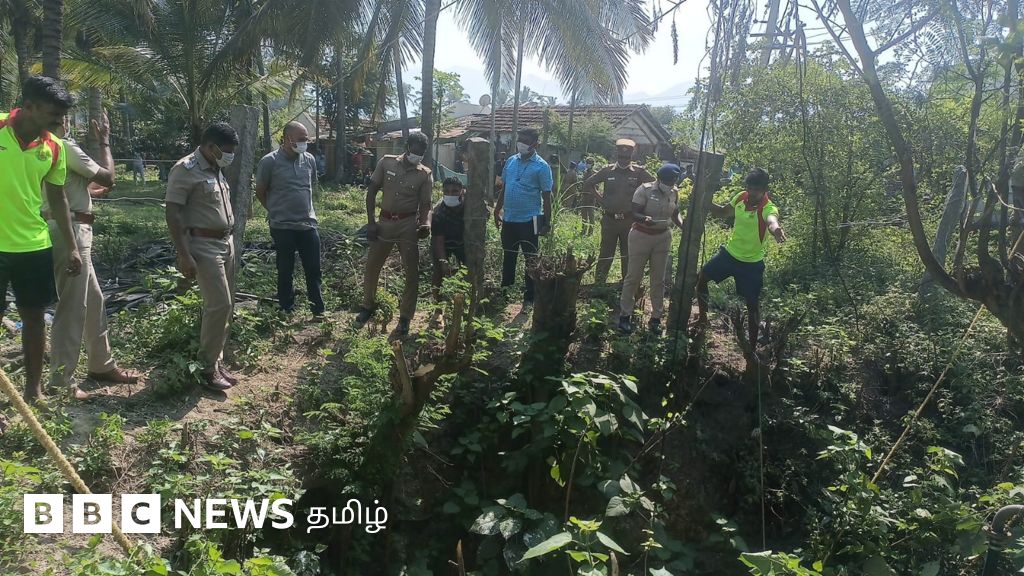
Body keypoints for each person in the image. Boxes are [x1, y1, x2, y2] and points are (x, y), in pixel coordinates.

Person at [0, 76, 82, 402]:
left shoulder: (54, 147)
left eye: (62, 116)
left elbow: (58, 197)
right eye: (53, 115)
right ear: (29, 106)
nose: (59, 122)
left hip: (33, 246)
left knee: (34, 319)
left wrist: (73, 246)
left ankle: (33, 390)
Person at [46, 111, 138, 400]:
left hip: (65, 224)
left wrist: (88, 194)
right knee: (73, 305)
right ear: (62, 120)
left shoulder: (41, 146)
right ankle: (61, 380)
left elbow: (69, 187)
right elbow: (108, 178)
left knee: (94, 300)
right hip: (71, 230)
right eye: (66, 117)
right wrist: (104, 142)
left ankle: (101, 364)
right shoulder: (65, 145)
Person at [165, 122, 240, 392]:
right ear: (210, 146)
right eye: (226, 151)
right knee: (219, 304)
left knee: (226, 305)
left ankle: (216, 361)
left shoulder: (216, 168)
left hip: (226, 242)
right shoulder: (185, 169)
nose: (229, 156)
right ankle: (207, 368)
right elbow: (173, 213)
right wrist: (184, 254)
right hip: (203, 244)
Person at [691, 168, 787, 350]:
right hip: (729, 255)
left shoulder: (768, 208)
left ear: (765, 189)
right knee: (701, 278)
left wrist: (776, 230)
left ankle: (751, 348)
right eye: (749, 188)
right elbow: (722, 212)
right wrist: (704, 200)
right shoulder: (741, 197)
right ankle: (703, 319)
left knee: (752, 305)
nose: (751, 193)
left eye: (756, 190)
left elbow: (771, 221)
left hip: (751, 264)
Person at [356, 132, 433, 335]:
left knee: (411, 272)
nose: (417, 156)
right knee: (372, 266)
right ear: (407, 147)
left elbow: (426, 204)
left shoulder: (424, 174)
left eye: (421, 153)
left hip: (408, 225)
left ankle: (405, 317)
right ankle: (367, 306)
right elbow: (372, 191)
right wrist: (371, 222)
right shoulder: (387, 162)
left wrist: (426, 224)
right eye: (415, 151)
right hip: (384, 222)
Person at [255, 121, 324, 317]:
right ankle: (286, 309)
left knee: (314, 269)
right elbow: (260, 191)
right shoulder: (269, 162)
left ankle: (318, 310)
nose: (305, 143)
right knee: (285, 269)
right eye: (301, 139)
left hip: (308, 223)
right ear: (287, 139)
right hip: (282, 226)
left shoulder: (309, 160)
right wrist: (274, 210)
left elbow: (310, 186)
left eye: (306, 139)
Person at [619, 164, 685, 335]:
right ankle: (625, 315)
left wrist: (682, 225)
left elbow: (675, 212)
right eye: (667, 181)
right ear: (659, 179)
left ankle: (656, 317)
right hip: (641, 236)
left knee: (658, 279)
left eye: (672, 181)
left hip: (662, 238)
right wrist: (644, 218)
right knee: (633, 276)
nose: (670, 184)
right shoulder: (645, 190)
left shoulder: (674, 192)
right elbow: (634, 212)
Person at [493, 128, 553, 306]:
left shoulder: (542, 166)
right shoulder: (511, 161)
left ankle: (529, 298)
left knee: (531, 260)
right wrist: (497, 210)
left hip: (531, 220)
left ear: (535, 144)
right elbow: (504, 187)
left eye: (526, 141)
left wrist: (546, 223)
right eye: (520, 139)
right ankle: (505, 293)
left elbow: (547, 197)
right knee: (508, 257)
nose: (521, 143)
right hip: (509, 219)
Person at [584, 139, 655, 285]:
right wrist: (601, 200)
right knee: (606, 253)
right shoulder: (607, 171)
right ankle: (599, 284)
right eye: (621, 156)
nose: (624, 159)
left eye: (627, 156)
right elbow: (588, 183)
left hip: (629, 221)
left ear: (632, 154)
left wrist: (642, 205)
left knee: (627, 254)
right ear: (617, 153)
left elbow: (654, 186)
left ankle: (626, 285)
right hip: (609, 220)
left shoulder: (639, 172)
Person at [430, 177, 467, 299]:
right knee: (438, 271)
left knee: (470, 268)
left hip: (464, 242)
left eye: (454, 191)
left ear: (462, 191)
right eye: (446, 191)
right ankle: (436, 301)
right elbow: (438, 241)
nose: (450, 194)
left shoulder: (470, 208)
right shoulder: (438, 213)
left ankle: (466, 297)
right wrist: (444, 263)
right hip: (443, 242)